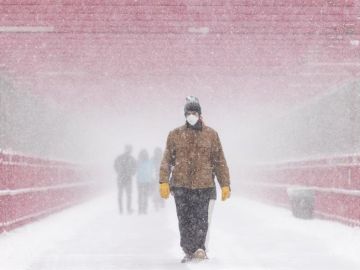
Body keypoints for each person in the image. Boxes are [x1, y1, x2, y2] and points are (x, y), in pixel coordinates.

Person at [159, 96, 231, 263]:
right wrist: (163, 181)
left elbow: (219, 161)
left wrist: (225, 184)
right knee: (184, 221)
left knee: (201, 220)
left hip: (204, 186)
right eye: (188, 113)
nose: (191, 115)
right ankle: (188, 250)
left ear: (200, 114)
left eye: (194, 112)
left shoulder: (211, 135)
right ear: (185, 115)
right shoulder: (175, 135)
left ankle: (200, 248)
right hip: (181, 186)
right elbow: (167, 160)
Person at [114, 145, 136, 214]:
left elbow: (115, 165)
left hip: (121, 178)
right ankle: (128, 209)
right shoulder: (131, 158)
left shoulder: (120, 157)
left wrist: (119, 172)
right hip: (127, 178)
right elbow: (135, 167)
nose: (130, 151)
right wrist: (132, 173)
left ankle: (121, 209)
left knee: (121, 194)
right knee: (128, 195)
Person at [136, 149, 153, 214]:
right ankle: (144, 209)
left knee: (140, 195)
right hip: (147, 181)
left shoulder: (138, 162)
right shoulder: (149, 162)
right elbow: (151, 171)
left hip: (140, 181)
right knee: (145, 195)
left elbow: (135, 170)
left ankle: (140, 209)